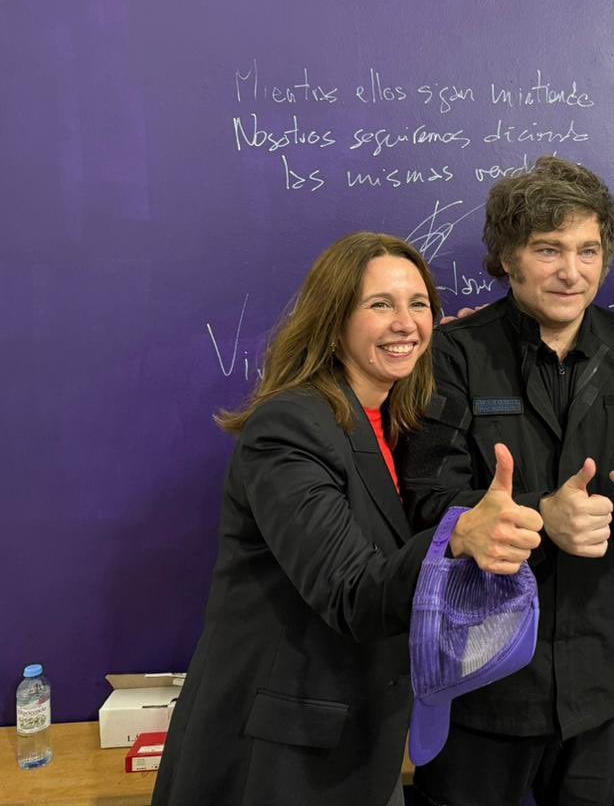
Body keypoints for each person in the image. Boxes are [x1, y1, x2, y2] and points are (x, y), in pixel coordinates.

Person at [154, 232, 543, 806]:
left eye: (418, 305)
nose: (405, 323)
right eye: (380, 304)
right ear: (333, 319)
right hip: (285, 753)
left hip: (362, 737)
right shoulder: (291, 426)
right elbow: (351, 592)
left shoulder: (391, 423)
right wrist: (455, 536)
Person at [398, 156, 614, 806]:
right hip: (483, 683)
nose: (572, 271)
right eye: (548, 249)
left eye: (588, 250)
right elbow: (427, 500)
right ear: (507, 257)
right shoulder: (453, 355)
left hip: (604, 680)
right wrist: (540, 517)